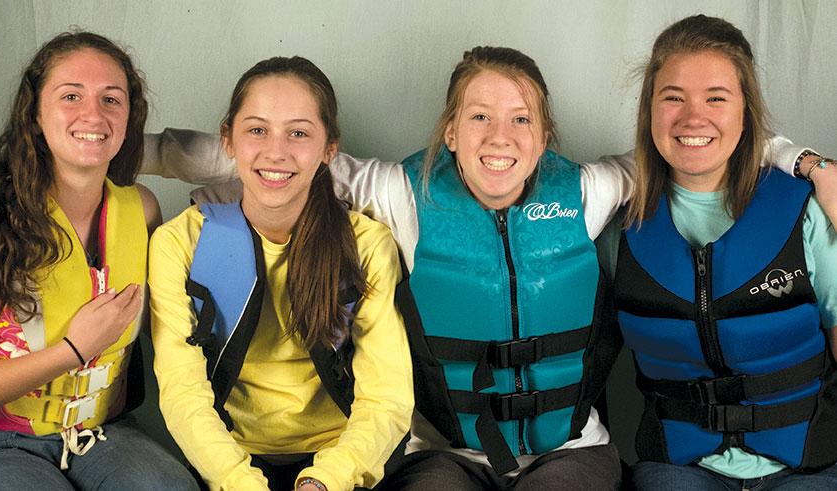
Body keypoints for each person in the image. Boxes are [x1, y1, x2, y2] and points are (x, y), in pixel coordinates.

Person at [141, 47, 823, 490]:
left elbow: (691, 141)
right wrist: (128, 150)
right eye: (479, 117)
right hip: (444, 449)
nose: (500, 137)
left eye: (521, 119)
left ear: (545, 135)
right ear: (450, 130)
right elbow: (278, 154)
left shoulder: (590, 191)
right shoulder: (399, 193)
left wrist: (802, 159)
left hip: (568, 449)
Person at [148, 56, 413, 491]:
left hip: (344, 456)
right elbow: (182, 390)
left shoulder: (366, 244)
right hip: (229, 459)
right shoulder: (180, 243)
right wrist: (240, 481)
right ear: (228, 140)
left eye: (299, 133)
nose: (276, 151)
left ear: (329, 149)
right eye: (257, 130)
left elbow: (386, 396)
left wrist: (327, 480)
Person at [597, 14, 837, 490]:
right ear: (649, 109)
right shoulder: (614, 229)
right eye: (673, 98)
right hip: (679, 468)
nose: (693, 118)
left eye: (716, 98)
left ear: (745, 109)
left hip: (811, 464)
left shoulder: (806, 212)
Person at [0, 31, 197, 490]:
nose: (93, 115)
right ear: (35, 114)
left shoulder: (144, 210)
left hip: (103, 434)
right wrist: (70, 351)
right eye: (71, 96)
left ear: (129, 117)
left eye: (111, 99)